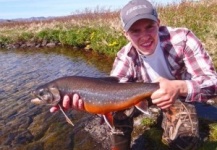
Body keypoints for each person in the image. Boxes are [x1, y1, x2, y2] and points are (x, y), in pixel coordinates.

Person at [50, 0, 217, 149]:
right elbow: (110, 92)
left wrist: (178, 86)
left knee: (185, 142)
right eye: (135, 31)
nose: (144, 36)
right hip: (141, 96)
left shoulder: (183, 39)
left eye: (149, 27)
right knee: (118, 112)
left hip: (177, 94)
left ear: (158, 23)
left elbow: (212, 83)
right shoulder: (125, 57)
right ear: (126, 34)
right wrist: (87, 101)